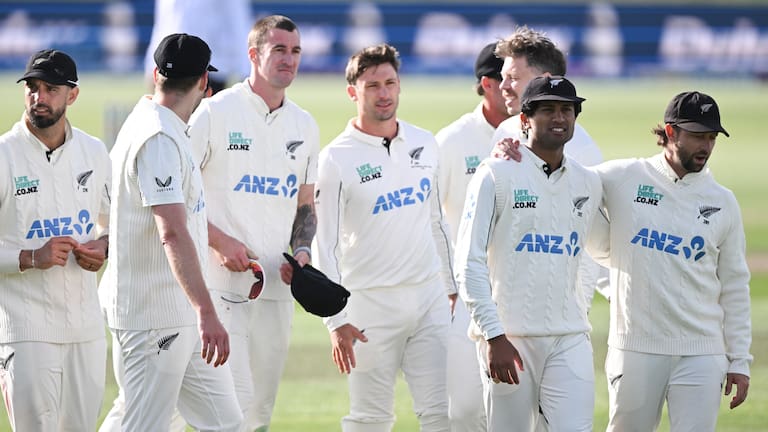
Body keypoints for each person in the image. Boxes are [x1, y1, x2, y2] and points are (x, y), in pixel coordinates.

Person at [585, 91, 752, 431]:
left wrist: (740, 360)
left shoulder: (723, 202)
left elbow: (735, 286)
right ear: (671, 132)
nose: (705, 146)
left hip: (702, 353)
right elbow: (564, 181)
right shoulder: (624, 176)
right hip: (635, 348)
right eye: (697, 136)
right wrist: (516, 155)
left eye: (711, 137)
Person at [100, 33, 242, 431]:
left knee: (226, 423)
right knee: (142, 424)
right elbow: (173, 233)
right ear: (203, 84)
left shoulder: (161, 124)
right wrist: (207, 310)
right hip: (153, 317)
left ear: (156, 73)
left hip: (181, 313)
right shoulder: (157, 136)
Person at [188, 14, 319, 430]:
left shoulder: (305, 124)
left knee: (260, 413)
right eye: (278, 49)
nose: (289, 59)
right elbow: (177, 198)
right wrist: (218, 241)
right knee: (231, 412)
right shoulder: (213, 112)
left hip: (277, 290)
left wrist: (302, 251)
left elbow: (305, 205)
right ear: (253, 54)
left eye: (295, 50)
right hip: (220, 289)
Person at [314, 43, 454, 432]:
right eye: (372, 84)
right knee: (370, 419)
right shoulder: (335, 158)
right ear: (352, 92)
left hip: (429, 300)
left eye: (390, 82)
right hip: (369, 307)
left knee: (445, 413)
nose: (384, 93)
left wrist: (453, 288)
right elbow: (325, 245)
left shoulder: (425, 142)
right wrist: (335, 320)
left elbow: (436, 223)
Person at [454, 76, 601, 432]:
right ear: (524, 120)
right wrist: (493, 335)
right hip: (510, 339)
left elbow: (591, 253)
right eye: (547, 109)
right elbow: (468, 261)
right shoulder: (495, 174)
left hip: (569, 337)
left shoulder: (588, 181)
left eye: (566, 109)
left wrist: (578, 308)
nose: (559, 117)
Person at [0, 49, 110, 432]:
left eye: (50, 88)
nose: (38, 97)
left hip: (85, 329)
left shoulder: (94, 152)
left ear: (72, 95)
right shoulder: (4, 155)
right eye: (32, 87)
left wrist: (104, 247)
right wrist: (31, 256)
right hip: (25, 330)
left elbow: (116, 225)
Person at [492, 26, 608, 305]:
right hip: (510, 303)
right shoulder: (505, 131)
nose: (503, 86)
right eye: (502, 77)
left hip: (560, 314)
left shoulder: (581, 152)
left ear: (543, 81)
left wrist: (578, 310)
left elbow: (589, 246)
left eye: (513, 78)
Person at [434, 41, 509, 432]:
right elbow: (433, 219)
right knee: (463, 410)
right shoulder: (452, 140)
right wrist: (446, 285)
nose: (515, 88)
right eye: (506, 78)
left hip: (518, 287)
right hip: (465, 292)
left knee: (520, 409)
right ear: (488, 83)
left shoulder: (536, 136)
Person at [144, 0, 251, 93]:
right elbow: (164, 22)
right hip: (170, 63)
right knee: (169, 115)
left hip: (209, 69)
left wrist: (246, 71)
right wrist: (151, 63)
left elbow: (237, 22)